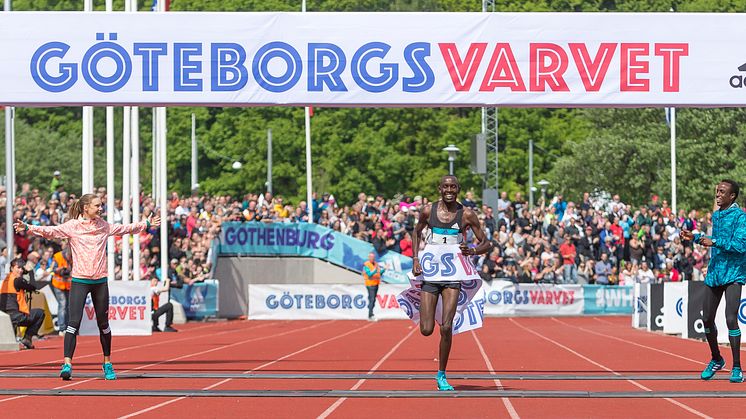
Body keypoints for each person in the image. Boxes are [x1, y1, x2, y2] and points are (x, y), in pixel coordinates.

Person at [15, 193, 160, 381]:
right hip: (80, 281)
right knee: (73, 324)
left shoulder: (103, 225)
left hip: (100, 281)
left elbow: (124, 228)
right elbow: (50, 231)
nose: (101, 209)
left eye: (101, 206)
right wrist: (28, 227)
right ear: (86, 208)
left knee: (104, 325)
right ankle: (67, 363)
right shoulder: (73, 226)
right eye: (97, 206)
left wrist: (145, 224)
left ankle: (107, 363)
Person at [411, 175, 491, 391]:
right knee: (427, 329)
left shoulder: (466, 214)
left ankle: (441, 375)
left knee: (446, 327)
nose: (449, 190)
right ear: (440, 188)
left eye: (453, 187)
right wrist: (416, 259)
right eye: (445, 186)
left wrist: (473, 250)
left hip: (453, 277)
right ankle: (428, 309)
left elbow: (487, 242)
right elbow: (416, 232)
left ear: (458, 189)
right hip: (430, 275)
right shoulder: (428, 211)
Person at [682, 180, 746, 383]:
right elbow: (713, 239)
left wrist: (714, 241)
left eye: (722, 192)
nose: (717, 194)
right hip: (715, 272)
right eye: (717, 191)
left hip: (734, 273)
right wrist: (695, 237)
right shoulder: (717, 215)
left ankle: (737, 367)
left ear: (732, 196)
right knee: (707, 318)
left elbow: (740, 245)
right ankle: (717, 358)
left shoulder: (741, 217)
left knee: (730, 318)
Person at [0, 258, 45, 349]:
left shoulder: (7, 279)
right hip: (16, 316)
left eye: (22, 268)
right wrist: (31, 272)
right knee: (40, 313)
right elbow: (33, 287)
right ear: (12, 268)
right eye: (18, 268)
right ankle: (27, 338)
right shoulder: (18, 280)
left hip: (5, 316)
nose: (20, 270)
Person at [51, 246, 73, 335]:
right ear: (67, 254)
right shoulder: (57, 256)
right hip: (58, 284)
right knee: (62, 304)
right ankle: (62, 327)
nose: (70, 259)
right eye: (69, 257)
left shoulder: (74, 257)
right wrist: (60, 269)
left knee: (68, 306)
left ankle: (68, 327)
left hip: (68, 285)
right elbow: (52, 269)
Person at [362, 252, 384, 321]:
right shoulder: (366, 265)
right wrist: (375, 269)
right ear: (369, 258)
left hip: (376, 283)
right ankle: (370, 315)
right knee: (372, 299)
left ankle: (370, 310)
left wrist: (384, 269)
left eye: (373, 257)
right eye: (371, 257)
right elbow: (369, 274)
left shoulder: (376, 264)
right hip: (370, 284)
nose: (372, 258)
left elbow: (379, 272)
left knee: (373, 299)